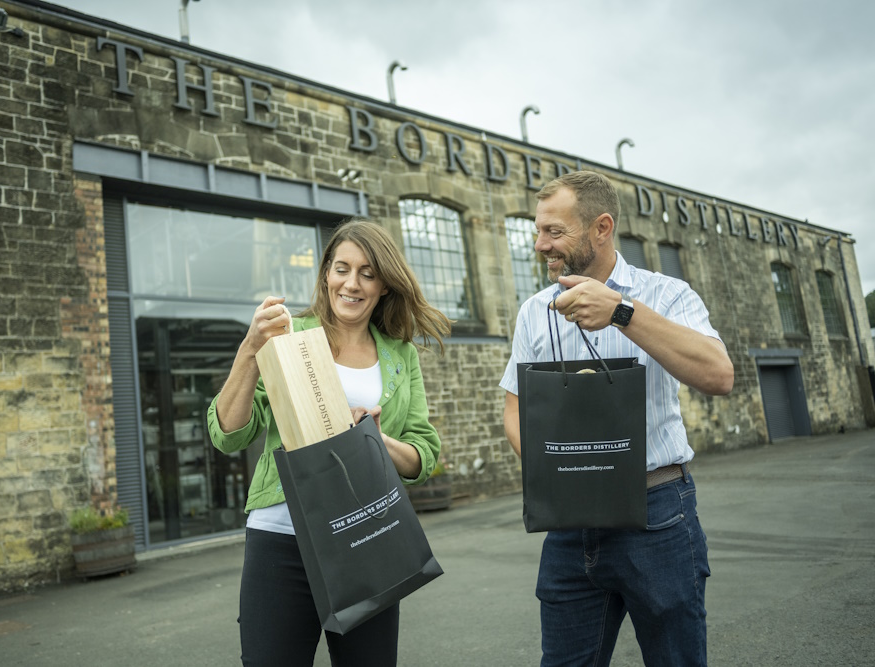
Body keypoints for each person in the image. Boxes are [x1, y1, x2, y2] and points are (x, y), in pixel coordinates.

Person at [500, 171, 734, 666]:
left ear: (601, 227)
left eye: (555, 232)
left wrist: (624, 312)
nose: (541, 244)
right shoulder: (534, 311)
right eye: (538, 230)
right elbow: (516, 410)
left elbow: (719, 375)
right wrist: (558, 475)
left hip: (658, 515)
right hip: (570, 524)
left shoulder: (667, 294)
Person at [207, 218, 451, 667]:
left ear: (384, 286)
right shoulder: (287, 337)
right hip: (280, 541)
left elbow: (423, 456)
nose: (351, 283)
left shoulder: (401, 355)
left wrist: (377, 441)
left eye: (367, 273)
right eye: (342, 268)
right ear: (325, 274)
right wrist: (250, 350)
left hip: (366, 540)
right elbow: (230, 434)